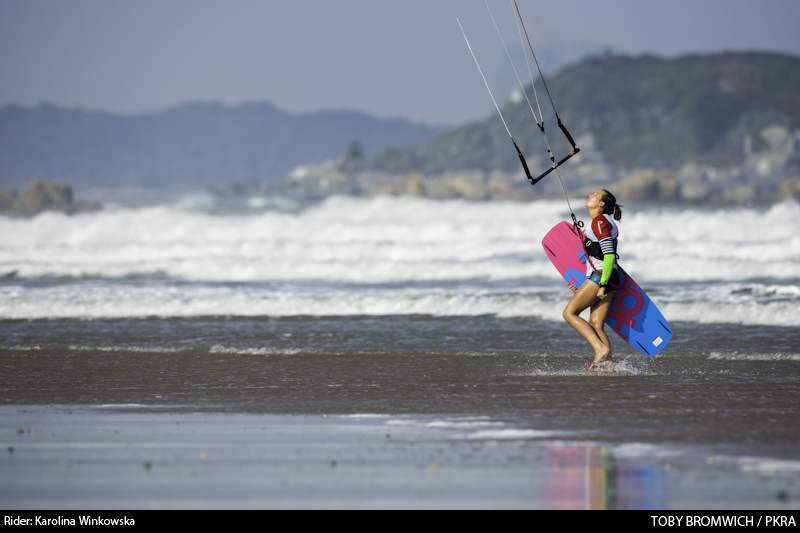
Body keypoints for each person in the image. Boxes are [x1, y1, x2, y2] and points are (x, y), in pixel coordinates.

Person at [562, 189, 623, 371]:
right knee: (596, 325)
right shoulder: (602, 221)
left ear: (601, 204)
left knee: (569, 314)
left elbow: (609, 255)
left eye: (595, 195)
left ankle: (599, 349)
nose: (591, 195)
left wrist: (601, 284)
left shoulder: (599, 221)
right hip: (610, 275)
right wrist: (586, 284)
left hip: (603, 275)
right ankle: (609, 368)